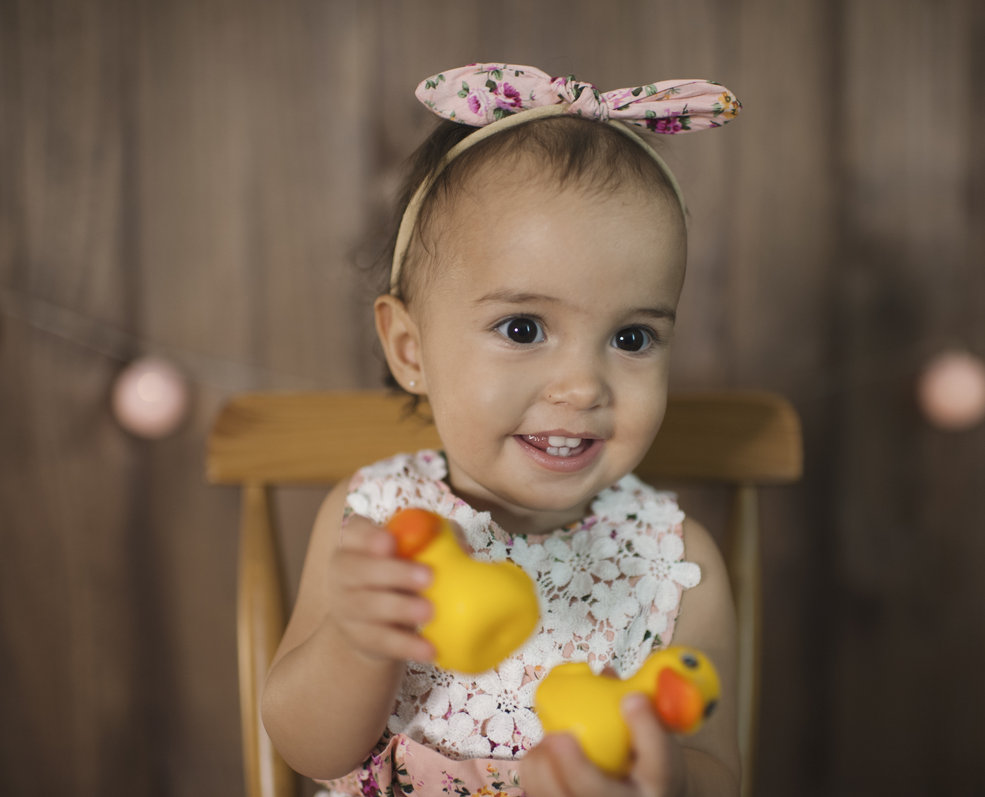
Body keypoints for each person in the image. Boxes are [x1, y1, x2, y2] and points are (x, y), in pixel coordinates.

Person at [261, 63, 743, 797]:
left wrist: (666, 777)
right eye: (523, 327)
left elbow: (722, 773)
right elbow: (307, 748)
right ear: (410, 349)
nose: (582, 386)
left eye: (633, 338)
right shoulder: (378, 522)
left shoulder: (677, 563)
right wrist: (358, 642)